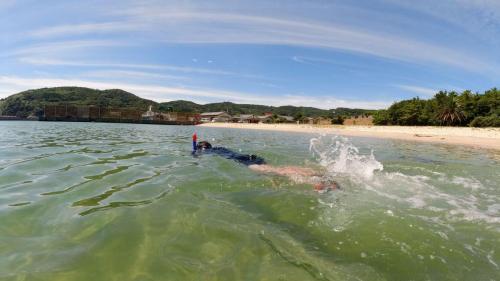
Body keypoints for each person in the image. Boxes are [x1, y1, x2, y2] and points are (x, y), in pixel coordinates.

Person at [193, 140, 337, 192]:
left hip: (245, 161)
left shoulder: (207, 151)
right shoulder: (219, 148)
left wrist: (195, 152)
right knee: (276, 170)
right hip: (251, 156)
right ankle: (317, 173)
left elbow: (198, 155)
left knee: (277, 171)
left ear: (202, 147)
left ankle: (320, 181)